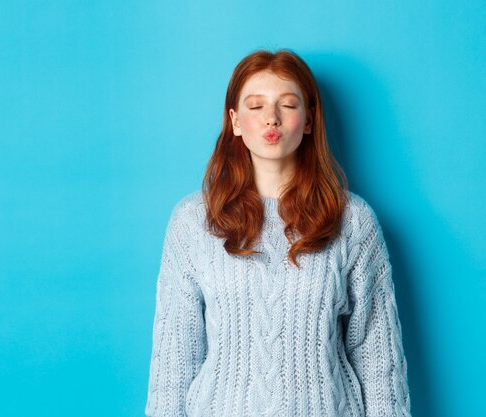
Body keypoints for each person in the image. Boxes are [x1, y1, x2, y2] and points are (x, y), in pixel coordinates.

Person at [144, 49, 411, 417]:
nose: (271, 117)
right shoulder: (193, 222)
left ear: (308, 120)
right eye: (255, 106)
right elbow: (174, 362)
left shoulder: (352, 221)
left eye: (287, 104)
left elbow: (377, 358)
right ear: (235, 121)